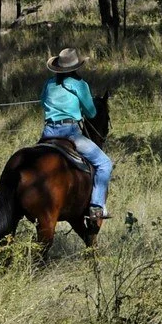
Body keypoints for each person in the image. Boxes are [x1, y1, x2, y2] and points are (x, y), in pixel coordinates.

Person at [41, 47, 111, 223]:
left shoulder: (49, 83)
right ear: (75, 67)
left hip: (48, 132)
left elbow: (43, 102)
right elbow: (92, 113)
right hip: (70, 132)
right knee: (104, 164)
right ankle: (96, 206)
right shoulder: (80, 84)